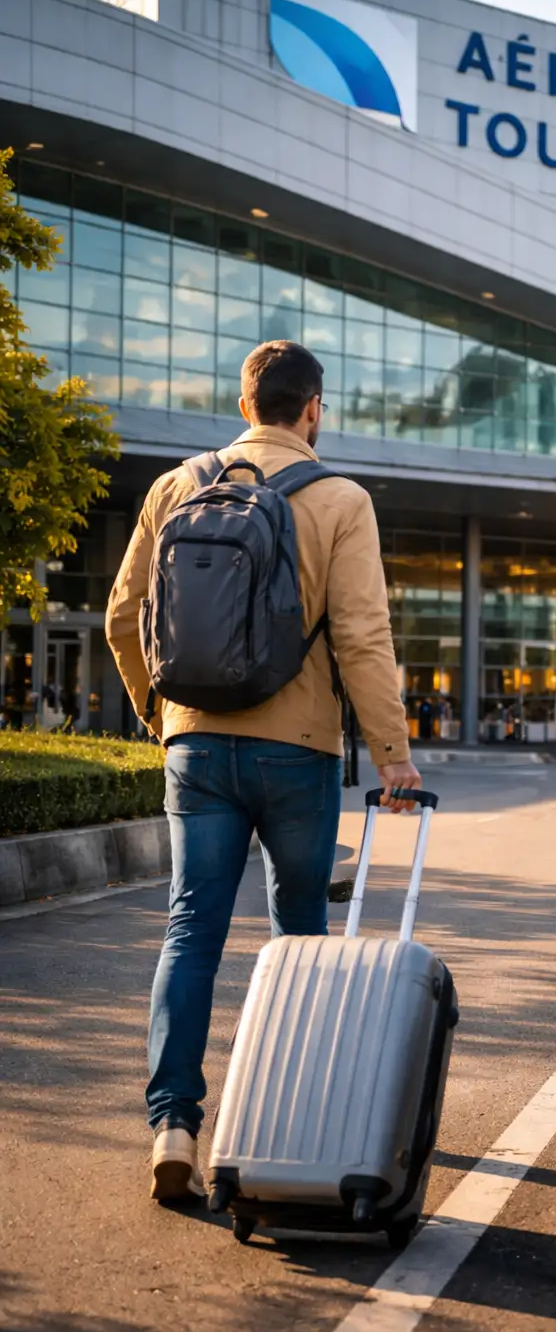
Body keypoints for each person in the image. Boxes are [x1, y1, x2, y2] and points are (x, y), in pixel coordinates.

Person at [105, 340, 421, 1203]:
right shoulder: (341, 498)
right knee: (298, 942)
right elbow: (361, 636)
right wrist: (393, 758)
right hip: (298, 751)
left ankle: (174, 1123)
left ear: (246, 402)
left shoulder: (177, 486)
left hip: (196, 747)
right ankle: (288, 1123)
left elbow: (123, 616)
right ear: (313, 407)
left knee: (189, 932)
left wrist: (162, 718)